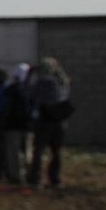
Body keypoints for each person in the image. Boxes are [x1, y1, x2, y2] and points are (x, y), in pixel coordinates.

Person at [27, 57, 71, 188]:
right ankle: (55, 179)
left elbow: (28, 93)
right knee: (56, 152)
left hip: (44, 121)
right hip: (59, 120)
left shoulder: (43, 82)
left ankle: (35, 179)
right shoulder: (63, 82)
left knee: (38, 151)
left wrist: (29, 75)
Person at [0, 63, 31, 185]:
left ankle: (16, 176)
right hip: (28, 126)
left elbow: (6, 108)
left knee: (14, 152)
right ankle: (27, 175)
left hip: (13, 125)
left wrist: (3, 123)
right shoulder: (31, 89)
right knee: (27, 152)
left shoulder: (10, 90)